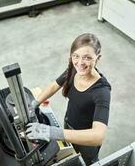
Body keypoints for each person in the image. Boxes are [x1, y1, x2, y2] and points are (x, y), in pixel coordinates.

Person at [26, 33, 111, 165]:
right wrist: (35, 103)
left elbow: (98, 136)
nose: (80, 63)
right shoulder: (73, 70)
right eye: (76, 56)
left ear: (98, 58)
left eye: (87, 57)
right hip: (68, 126)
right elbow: (55, 85)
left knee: (84, 162)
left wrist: (51, 132)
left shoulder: (102, 91)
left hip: (86, 142)